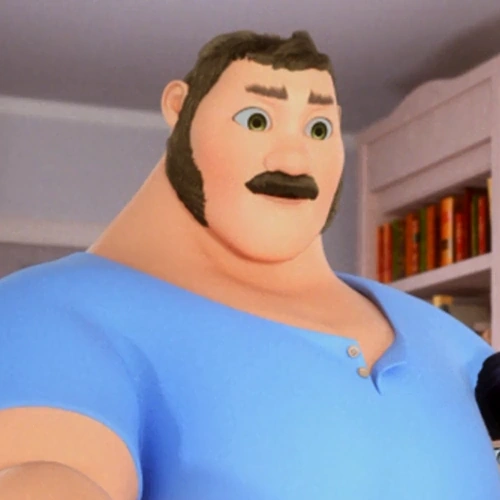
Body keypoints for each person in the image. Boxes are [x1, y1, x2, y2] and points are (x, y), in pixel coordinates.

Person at [0, 30, 498, 500]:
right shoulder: (52, 312)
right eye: (256, 120)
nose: (294, 161)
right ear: (180, 107)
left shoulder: (442, 334)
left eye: (319, 129)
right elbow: (50, 468)